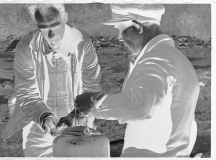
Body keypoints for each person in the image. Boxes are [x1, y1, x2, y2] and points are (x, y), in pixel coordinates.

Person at [57, 4, 199, 158]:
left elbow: (140, 106)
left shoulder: (157, 59)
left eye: (120, 29)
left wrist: (93, 103)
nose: (118, 37)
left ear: (137, 26)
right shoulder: (173, 57)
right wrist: (82, 112)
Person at [2, 3, 101, 157]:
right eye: (43, 27)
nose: (51, 36)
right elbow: (26, 92)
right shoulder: (25, 47)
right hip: (38, 129)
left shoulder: (83, 44)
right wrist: (45, 117)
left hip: (80, 124)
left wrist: (75, 117)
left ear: (65, 17)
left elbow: (92, 88)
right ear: (36, 24)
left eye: (55, 26)